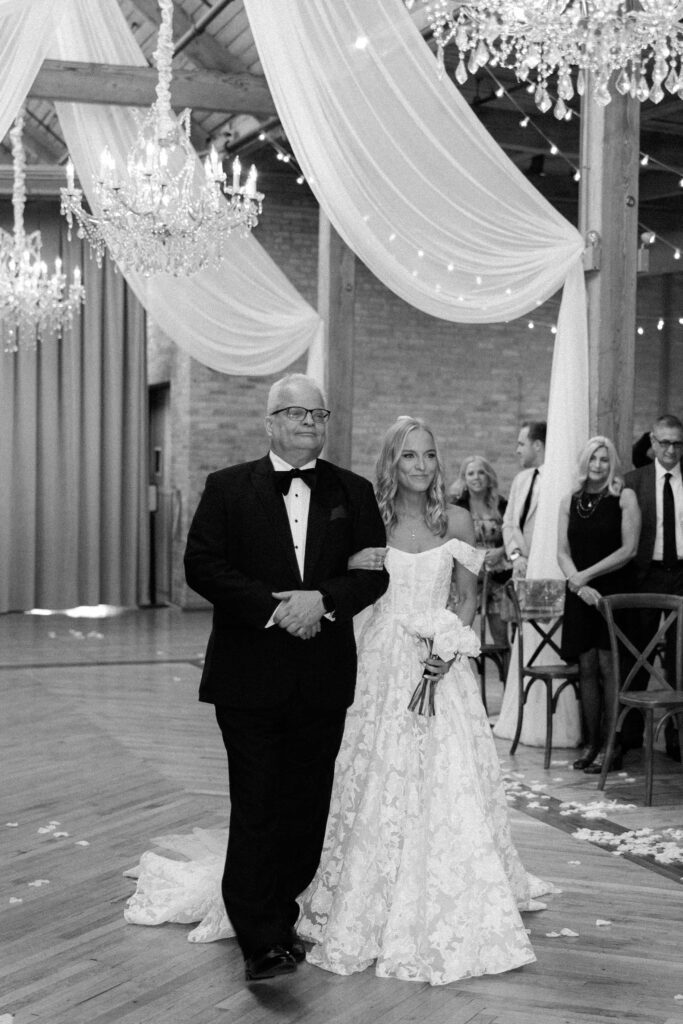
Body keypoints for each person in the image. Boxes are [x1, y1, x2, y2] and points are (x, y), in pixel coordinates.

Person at [145, 372, 389, 983]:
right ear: (271, 421)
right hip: (249, 675)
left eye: (319, 414)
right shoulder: (228, 488)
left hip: (323, 676)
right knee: (256, 802)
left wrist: (322, 600)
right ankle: (260, 939)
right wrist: (276, 608)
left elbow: (375, 574)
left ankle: (279, 914)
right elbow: (201, 564)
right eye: (298, 413)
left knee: (307, 807)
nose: (311, 423)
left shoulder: (352, 491)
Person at [297, 416, 554, 985]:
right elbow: (350, 586)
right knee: (369, 772)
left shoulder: (456, 519)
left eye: (429, 456)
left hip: (441, 661)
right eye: (409, 456)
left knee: (448, 775)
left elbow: (467, 598)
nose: (420, 465)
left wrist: (449, 645)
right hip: (379, 660)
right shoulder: (371, 519)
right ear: (392, 461)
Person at [557, 437, 640, 774]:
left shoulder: (625, 497)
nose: (599, 465)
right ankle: (592, 743)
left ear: (612, 463)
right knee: (586, 667)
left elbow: (629, 550)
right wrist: (577, 583)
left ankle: (612, 744)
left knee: (609, 668)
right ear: (584, 462)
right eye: (593, 459)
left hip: (612, 591)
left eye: (605, 460)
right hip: (580, 594)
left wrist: (585, 578)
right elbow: (561, 551)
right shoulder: (570, 500)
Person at [623, 414, 683, 760]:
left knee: (680, 659)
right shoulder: (634, 481)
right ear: (652, 443)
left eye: (677, 443)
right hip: (646, 573)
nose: (671, 449)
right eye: (664, 442)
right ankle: (631, 734)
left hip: (682, 574)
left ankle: (676, 737)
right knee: (638, 654)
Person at [448, 454, 510, 648]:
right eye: (471, 473)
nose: (476, 477)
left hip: (497, 577)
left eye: (481, 472)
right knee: (456, 634)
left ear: (489, 476)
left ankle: (506, 677)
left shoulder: (502, 504)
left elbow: (513, 535)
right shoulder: (457, 507)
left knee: (501, 638)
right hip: (466, 578)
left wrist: (502, 550)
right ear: (464, 479)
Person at [502, 420, 546, 578]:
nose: (517, 450)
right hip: (520, 571)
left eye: (521, 444)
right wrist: (516, 557)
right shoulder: (520, 480)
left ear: (537, 445)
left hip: (548, 570)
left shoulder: (558, 480)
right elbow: (508, 524)